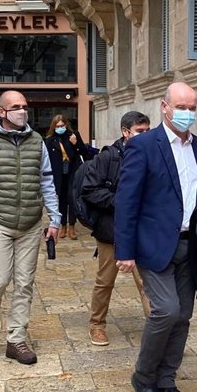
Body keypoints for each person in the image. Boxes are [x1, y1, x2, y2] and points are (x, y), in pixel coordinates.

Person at [115, 82, 197, 392]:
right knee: (166, 310)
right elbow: (126, 201)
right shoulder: (143, 145)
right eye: (181, 107)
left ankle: (166, 382)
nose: (187, 113)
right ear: (164, 107)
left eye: (192, 108)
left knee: (182, 316)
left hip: (189, 245)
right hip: (153, 246)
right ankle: (143, 378)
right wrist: (124, 251)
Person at [0, 90, 61, 365]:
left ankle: (16, 340)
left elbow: (46, 181)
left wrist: (55, 217)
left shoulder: (37, 140)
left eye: (25, 107)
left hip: (30, 222)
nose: (22, 112)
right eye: (16, 107)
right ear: (1, 111)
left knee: (25, 283)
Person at [83, 111, 151, 346]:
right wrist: (122, 202)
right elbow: (90, 190)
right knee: (105, 280)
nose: (144, 136)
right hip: (111, 230)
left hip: (143, 231)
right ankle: (97, 325)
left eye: (147, 131)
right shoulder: (107, 158)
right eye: (140, 132)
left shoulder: (151, 155)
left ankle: (158, 331)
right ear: (125, 132)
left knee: (147, 283)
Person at [45, 114, 87, 240]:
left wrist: (75, 144)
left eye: (62, 125)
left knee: (72, 198)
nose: (60, 128)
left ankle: (72, 226)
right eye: (57, 126)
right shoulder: (50, 140)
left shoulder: (73, 135)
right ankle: (63, 225)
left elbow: (83, 152)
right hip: (59, 173)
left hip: (73, 171)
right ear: (54, 127)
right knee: (62, 200)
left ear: (66, 124)